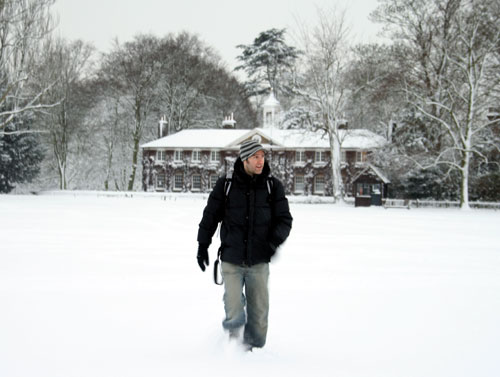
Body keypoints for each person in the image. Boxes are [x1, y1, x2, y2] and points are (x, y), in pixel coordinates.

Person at [197, 139, 293, 350]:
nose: (260, 161)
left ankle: (254, 352)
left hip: (259, 261)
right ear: (245, 159)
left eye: (262, 157)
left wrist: (272, 243)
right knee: (234, 308)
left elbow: (285, 220)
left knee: (259, 313)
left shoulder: (272, 186)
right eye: (256, 157)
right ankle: (234, 348)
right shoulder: (227, 185)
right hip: (231, 259)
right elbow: (210, 216)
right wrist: (202, 245)